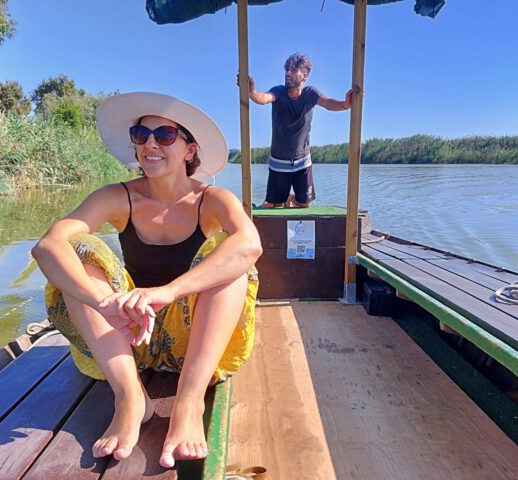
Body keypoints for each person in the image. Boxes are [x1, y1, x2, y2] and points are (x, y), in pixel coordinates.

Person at [31, 92, 262, 468]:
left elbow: (250, 245)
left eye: (165, 135)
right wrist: (102, 301)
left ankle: (189, 401)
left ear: (190, 150)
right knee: (78, 248)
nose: (150, 144)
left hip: (195, 343)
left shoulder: (213, 199)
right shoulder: (118, 197)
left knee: (233, 256)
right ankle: (129, 397)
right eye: (141, 134)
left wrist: (167, 292)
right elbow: (47, 246)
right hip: (125, 337)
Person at [241, 52, 352, 207]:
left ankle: (290, 199)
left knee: (304, 205)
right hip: (278, 162)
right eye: (287, 70)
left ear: (304, 76)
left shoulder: (310, 94)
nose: (288, 73)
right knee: (275, 206)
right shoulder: (279, 91)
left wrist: (346, 104)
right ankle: (279, 200)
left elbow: (328, 103)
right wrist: (251, 92)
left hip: (302, 162)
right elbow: (264, 98)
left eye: (293, 70)